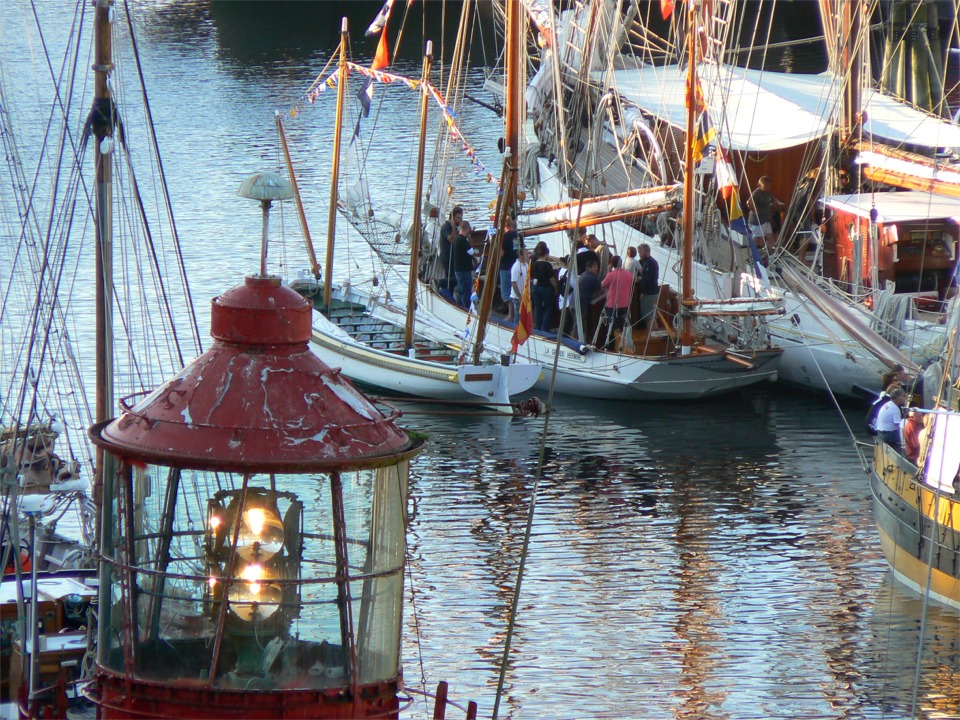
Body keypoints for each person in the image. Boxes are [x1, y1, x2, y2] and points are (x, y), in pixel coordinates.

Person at [745, 176, 783, 251]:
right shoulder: (757, 193)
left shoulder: (767, 193)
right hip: (757, 221)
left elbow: (773, 201)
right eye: (764, 185)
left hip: (766, 220)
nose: (766, 186)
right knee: (758, 239)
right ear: (760, 185)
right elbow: (749, 202)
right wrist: (756, 211)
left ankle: (769, 253)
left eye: (768, 185)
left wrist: (778, 205)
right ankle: (755, 256)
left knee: (770, 236)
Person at [601, 255, 633, 342]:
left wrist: (608, 271)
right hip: (625, 303)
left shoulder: (610, 275)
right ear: (621, 263)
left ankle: (616, 344)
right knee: (625, 324)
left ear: (612, 264)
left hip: (612, 304)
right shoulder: (629, 274)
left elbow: (603, 285)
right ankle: (626, 343)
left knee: (614, 326)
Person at [530, 241, 557, 332]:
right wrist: (556, 288)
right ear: (546, 254)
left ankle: (537, 326)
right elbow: (551, 279)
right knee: (548, 308)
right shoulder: (547, 265)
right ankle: (545, 328)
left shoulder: (534, 264)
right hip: (546, 288)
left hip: (536, 288)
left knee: (538, 307)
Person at [499, 217, 521, 321]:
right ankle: (516, 314)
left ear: (504, 225)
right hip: (516, 265)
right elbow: (522, 249)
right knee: (516, 291)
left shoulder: (504, 237)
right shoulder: (518, 235)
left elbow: (501, 253)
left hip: (506, 266)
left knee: (506, 291)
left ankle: (510, 314)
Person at [576, 258, 602, 343]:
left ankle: (575, 339)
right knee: (582, 322)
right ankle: (580, 341)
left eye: (597, 266)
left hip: (575, 301)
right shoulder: (593, 278)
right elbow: (599, 291)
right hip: (583, 303)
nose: (596, 269)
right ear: (590, 268)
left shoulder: (583, 274)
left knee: (577, 322)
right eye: (595, 267)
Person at [875, 386, 907, 452]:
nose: (904, 399)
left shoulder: (887, 404)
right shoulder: (895, 409)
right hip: (888, 435)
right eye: (903, 396)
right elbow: (899, 425)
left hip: (880, 432)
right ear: (899, 397)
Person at [452, 219, 475, 308]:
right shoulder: (463, 240)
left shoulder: (456, 239)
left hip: (457, 269)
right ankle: (465, 308)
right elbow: (472, 252)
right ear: (467, 229)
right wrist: (470, 241)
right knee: (466, 290)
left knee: (461, 289)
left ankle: (460, 305)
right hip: (464, 270)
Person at [438, 206, 462, 290]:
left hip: (453, 257)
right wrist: (453, 227)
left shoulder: (456, 227)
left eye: (461, 218)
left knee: (454, 276)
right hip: (447, 257)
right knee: (450, 277)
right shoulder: (446, 227)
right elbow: (451, 239)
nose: (460, 220)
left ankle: (450, 291)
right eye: (458, 218)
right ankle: (440, 283)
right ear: (452, 218)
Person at [637, 243, 659, 329]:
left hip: (649, 294)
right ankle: (655, 335)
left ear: (645, 252)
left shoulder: (649, 263)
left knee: (648, 318)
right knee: (652, 317)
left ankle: (649, 338)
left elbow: (648, 280)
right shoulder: (652, 262)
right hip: (654, 292)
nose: (639, 254)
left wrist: (642, 291)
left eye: (640, 252)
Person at [510, 246, 531, 322]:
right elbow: (513, 282)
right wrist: (519, 296)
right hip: (517, 297)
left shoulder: (526, 264)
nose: (528, 255)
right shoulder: (516, 267)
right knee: (518, 316)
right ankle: (516, 329)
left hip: (525, 295)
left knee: (524, 315)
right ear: (521, 255)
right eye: (526, 254)